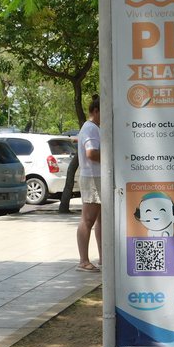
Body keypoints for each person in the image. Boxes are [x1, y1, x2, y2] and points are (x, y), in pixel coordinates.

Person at [76, 95, 101, 272]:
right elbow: (91, 153)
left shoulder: (95, 127)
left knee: (101, 220)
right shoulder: (90, 128)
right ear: (96, 111)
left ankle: (104, 257)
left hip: (97, 177)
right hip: (92, 177)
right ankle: (83, 261)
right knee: (88, 219)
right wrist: (112, 157)